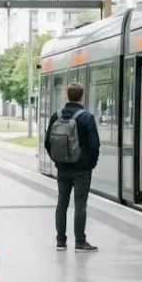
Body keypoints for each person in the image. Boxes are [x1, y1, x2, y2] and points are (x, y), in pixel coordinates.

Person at [44, 82, 100, 252]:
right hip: (82, 169)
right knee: (80, 204)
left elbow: (48, 142)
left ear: (66, 96)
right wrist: (91, 164)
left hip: (63, 168)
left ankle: (61, 241)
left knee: (62, 202)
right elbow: (94, 146)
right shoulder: (86, 117)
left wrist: (57, 160)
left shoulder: (56, 115)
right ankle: (80, 242)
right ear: (82, 97)